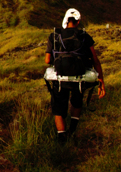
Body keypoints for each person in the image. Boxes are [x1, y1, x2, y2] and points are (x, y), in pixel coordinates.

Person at [44, 8, 106, 143]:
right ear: (78, 22)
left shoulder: (54, 35)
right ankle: (72, 131)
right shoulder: (84, 36)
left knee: (58, 109)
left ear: (66, 20)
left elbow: (47, 60)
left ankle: (62, 138)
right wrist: (101, 82)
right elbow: (95, 60)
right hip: (79, 78)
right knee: (77, 102)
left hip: (59, 80)